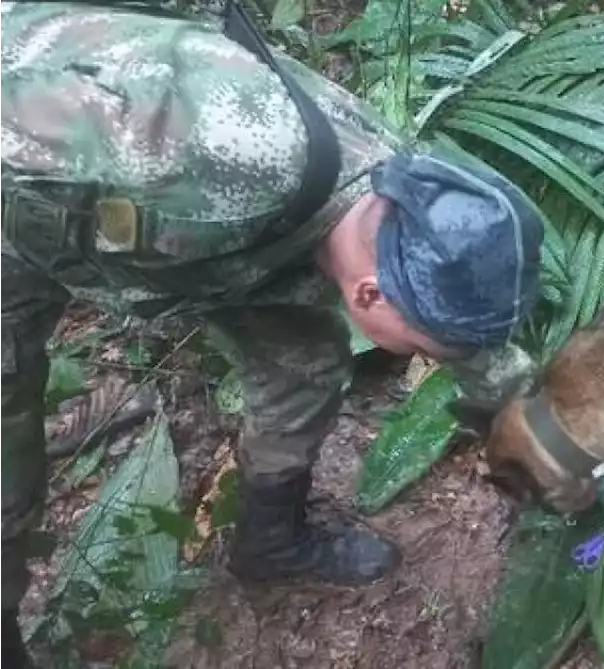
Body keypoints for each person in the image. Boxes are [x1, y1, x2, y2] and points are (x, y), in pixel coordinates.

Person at [0, 1, 543, 665]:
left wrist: (555, 438)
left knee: (305, 362)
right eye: (427, 347)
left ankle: (269, 540)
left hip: (184, 239)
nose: (433, 358)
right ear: (368, 292)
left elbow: (471, 338)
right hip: (23, 198)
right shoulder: (217, 161)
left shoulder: (403, 199)